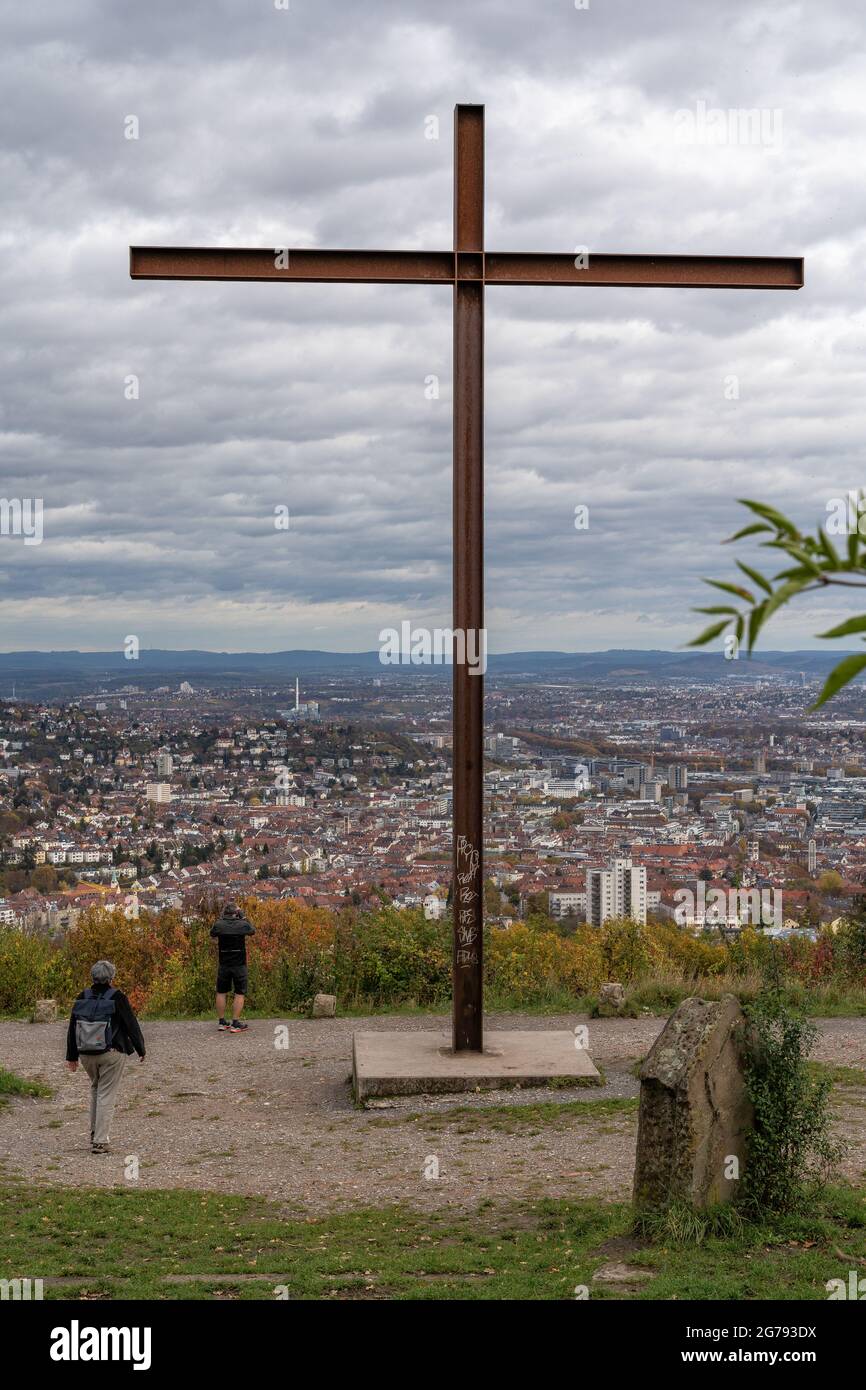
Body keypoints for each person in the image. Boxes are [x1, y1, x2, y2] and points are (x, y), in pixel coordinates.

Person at [65, 960, 145, 1154]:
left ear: (92, 977)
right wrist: (140, 1048)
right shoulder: (117, 997)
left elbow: (73, 1027)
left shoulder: (82, 996)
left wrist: (72, 1056)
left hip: (86, 1054)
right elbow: (130, 1024)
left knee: (96, 1089)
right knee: (106, 1094)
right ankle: (101, 1141)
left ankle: (94, 1133)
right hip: (111, 1053)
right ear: (111, 978)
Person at [210, 902, 255, 1033]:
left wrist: (221, 918)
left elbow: (212, 934)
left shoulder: (219, 925)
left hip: (224, 963)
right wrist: (243, 916)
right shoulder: (242, 925)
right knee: (239, 992)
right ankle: (235, 1022)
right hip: (239, 964)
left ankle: (222, 1022)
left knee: (221, 991)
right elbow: (252, 930)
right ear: (236, 913)